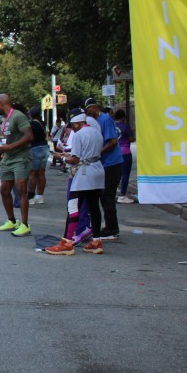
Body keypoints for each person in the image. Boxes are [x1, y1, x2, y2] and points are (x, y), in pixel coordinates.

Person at [45, 110, 105, 255]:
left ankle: (67, 243)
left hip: (84, 173)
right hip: (97, 170)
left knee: (73, 206)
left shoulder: (79, 135)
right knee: (94, 206)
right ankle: (96, 241)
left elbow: (75, 159)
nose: (72, 128)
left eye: (72, 125)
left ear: (77, 123)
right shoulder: (96, 132)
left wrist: (61, 157)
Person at [0, 94, 32, 237]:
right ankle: (11, 220)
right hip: (7, 159)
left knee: (21, 190)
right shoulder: (6, 120)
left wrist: (10, 147)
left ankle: (25, 225)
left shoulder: (18, 116)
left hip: (20, 158)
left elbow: (29, 136)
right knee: (4, 190)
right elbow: (3, 140)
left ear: (2, 103)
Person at [83, 98, 122, 239]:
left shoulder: (105, 119)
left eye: (88, 110)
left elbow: (113, 141)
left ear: (94, 108)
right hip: (103, 163)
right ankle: (108, 226)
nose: (88, 114)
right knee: (101, 195)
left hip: (112, 163)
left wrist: (98, 152)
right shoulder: (94, 121)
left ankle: (112, 229)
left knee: (107, 196)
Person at [27, 106, 50, 205]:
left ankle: (31, 196)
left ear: (31, 114)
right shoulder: (42, 123)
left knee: (33, 173)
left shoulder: (31, 124)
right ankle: (40, 196)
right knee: (41, 173)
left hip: (35, 148)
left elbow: (30, 137)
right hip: (44, 147)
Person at [114, 109, 135, 203]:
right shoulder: (125, 126)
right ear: (123, 117)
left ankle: (114, 194)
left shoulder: (113, 126)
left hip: (115, 152)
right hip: (125, 152)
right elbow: (131, 139)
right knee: (125, 174)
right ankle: (122, 195)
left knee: (116, 174)